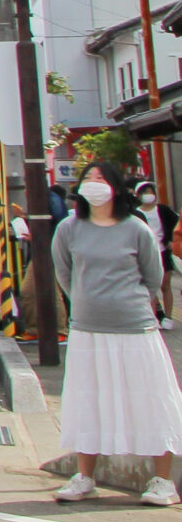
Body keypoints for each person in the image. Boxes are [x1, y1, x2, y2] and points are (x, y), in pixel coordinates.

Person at [52, 162, 182, 504]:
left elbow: (153, 276)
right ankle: (84, 476)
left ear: (115, 187)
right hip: (87, 328)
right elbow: (64, 273)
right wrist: (85, 300)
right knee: (87, 398)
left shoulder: (135, 228)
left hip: (135, 327)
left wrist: (129, 301)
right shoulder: (69, 228)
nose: (93, 184)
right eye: (87, 179)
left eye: (100, 178)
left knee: (150, 397)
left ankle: (163, 481)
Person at [141, 178, 178, 326]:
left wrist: (171, 240)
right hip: (147, 254)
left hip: (163, 252)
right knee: (150, 285)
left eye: (150, 192)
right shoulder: (136, 213)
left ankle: (168, 317)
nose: (148, 195)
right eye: (144, 192)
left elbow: (176, 224)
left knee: (165, 284)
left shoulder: (163, 210)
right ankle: (156, 314)